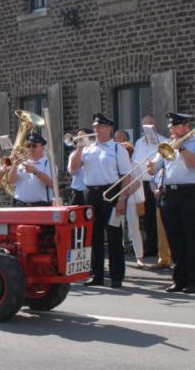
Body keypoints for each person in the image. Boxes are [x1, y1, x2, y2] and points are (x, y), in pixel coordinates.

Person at [70, 113, 132, 288]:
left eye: (100, 127)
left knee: (114, 235)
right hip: (91, 194)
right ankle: (96, 274)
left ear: (109, 128)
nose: (96, 130)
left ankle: (116, 275)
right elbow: (73, 169)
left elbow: (126, 176)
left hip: (111, 192)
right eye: (95, 127)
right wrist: (80, 147)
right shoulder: (88, 148)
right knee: (93, 237)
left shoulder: (117, 149)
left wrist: (122, 199)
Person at [147, 112, 195, 293]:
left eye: (174, 126)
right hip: (169, 194)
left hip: (189, 193)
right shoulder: (168, 145)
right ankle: (179, 279)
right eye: (170, 127)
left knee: (191, 238)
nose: (171, 130)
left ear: (185, 126)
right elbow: (154, 170)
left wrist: (180, 148)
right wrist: (151, 167)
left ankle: (193, 280)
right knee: (174, 239)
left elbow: (193, 164)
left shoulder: (192, 143)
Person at [133, 115, 166, 258]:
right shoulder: (139, 142)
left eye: (149, 125)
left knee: (159, 217)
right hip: (143, 183)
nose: (146, 128)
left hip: (157, 182)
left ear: (154, 125)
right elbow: (135, 160)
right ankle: (150, 246)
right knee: (147, 217)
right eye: (144, 126)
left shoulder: (163, 141)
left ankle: (163, 249)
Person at [8, 132, 54, 207]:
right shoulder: (21, 163)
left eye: (34, 146)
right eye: (28, 146)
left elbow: (52, 184)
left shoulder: (48, 164)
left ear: (42, 147)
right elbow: (11, 181)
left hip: (40, 206)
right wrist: (15, 165)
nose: (31, 148)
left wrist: (35, 171)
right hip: (20, 205)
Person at [121, 142, 145, 268]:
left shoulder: (134, 165)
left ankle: (139, 257)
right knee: (117, 229)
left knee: (134, 228)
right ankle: (118, 258)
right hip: (119, 200)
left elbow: (137, 183)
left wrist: (124, 195)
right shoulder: (117, 165)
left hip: (131, 201)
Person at [67, 128, 93, 205]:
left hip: (91, 191)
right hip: (77, 191)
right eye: (78, 136)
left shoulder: (94, 152)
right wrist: (80, 148)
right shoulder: (73, 154)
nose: (79, 138)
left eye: (82, 136)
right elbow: (72, 171)